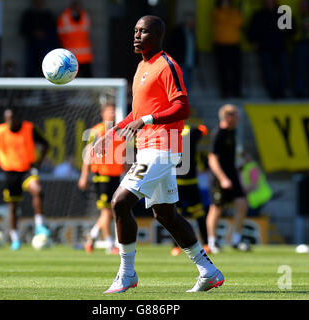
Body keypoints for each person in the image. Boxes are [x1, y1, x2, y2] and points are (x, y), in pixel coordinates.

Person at [92, 15, 224, 293]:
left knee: (119, 202)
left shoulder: (167, 65)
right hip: (148, 148)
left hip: (161, 149)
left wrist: (148, 119)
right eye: (135, 30)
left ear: (158, 36)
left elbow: (183, 107)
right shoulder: (142, 66)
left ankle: (127, 274)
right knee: (166, 215)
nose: (136, 36)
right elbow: (137, 114)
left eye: (143, 31)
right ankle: (208, 270)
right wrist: (113, 131)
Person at [0, 107, 50, 250]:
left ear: (18, 118)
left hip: (27, 169)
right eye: (7, 119)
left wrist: (39, 162)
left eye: (12, 118)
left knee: (38, 191)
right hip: (10, 172)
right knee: (13, 207)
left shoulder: (29, 128)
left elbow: (45, 144)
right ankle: (15, 239)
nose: (10, 122)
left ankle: (39, 225)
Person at [78, 104, 125, 255]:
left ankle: (91, 235)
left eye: (114, 110)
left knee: (111, 211)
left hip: (115, 175)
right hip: (102, 175)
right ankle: (110, 245)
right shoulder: (97, 131)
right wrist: (84, 176)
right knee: (107, 211)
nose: (112, 113)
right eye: (109, 111)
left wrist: (124, 164)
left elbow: (122, 152)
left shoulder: (119, 131)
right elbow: (87, 154)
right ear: (103, 113)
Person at [207, 104, 250, 253]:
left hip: (232, 173)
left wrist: (243, 156)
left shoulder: (233, 132)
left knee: (242, 204)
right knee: (216, 208)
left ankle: (236, 240)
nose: (238, 118)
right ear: (228, 117)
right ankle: (212, 242)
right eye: (236, 115)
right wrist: (223, 178)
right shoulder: (218, 134)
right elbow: (212, 159)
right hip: (220, 176)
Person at [171, 124, 210, 256]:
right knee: (198, 214)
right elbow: (203, 129)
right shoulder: (192, 132)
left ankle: (176, 246)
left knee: (176, 216)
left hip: (179, 182)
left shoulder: (171, 133)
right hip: (187, 181)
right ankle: (205, 244)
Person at [247, 0, 293, 99]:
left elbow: (292, 30)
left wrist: (286, 30)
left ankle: (282, 92)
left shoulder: (283, 13)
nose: (270, 2)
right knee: (268, 72)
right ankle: (272, 93)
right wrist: (253, 41)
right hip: (265, 48)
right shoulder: (259, 14)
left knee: (284, 72)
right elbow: (252, 29)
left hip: (281, 48)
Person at [212, 0, 243, 98]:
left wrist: (230, 13)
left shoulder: (234, 11)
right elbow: (221, 19)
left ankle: (236, 92)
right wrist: (227, 12)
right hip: (221, 45)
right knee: (223, 70)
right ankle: (224, 92)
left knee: (236, 70)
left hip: (234, 44)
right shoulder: (217, 11)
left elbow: (239, 21)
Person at [19, 0, 57, 77]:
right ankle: (29, 87)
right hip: (31, 45)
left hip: (45, 46)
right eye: (37, 2)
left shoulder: (48, 15)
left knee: (46, 68)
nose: (39, 3)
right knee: (30, 67)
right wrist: (34, 33)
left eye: (40, 2)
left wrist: (44, 34)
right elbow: (23, 30)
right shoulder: (28, 15)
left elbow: (54, 30)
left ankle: (45, 87)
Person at [57, 1, 93, 77]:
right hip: (70, 56)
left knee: (88, 79)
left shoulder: (85, 16)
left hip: (84, 56)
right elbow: (60, 35)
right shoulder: (64, 17)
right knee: (69, 80)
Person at [165, 14, 197, 91]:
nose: (193, 22)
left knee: (188, 83)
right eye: (192, 20)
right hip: (180, 61)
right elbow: (173, 46)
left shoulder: (191, 32)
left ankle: (185, 100)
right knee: (180, 83)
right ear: (187, 21)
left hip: (190, 62)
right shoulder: (178, 31)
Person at [237, 150, 273, 217]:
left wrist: (241, 190)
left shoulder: (252, 168)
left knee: (251, 217)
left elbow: (254, 185)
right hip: (251, 200)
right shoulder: (243, 169)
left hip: (258, 198)